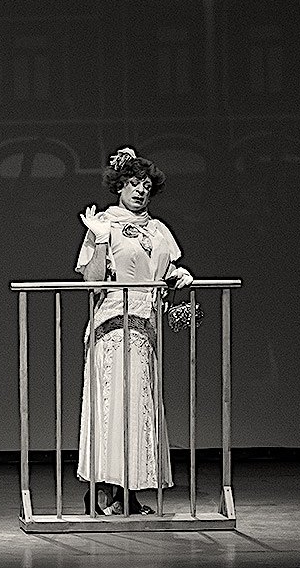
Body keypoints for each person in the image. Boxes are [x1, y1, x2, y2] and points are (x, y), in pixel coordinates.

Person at [75, 147, 193, 515]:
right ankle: (104, 491)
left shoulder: (158, 230)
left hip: (146, 327)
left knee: (138, 409)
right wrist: (98, 239)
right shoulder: (105, 223)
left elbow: (162, 268)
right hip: (114, 325)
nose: (139, 190)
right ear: (119, 187)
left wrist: (178, 275)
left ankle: (130, 492)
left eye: (144, 184)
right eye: (131, 183)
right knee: (113, 407)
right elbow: (93, 284)